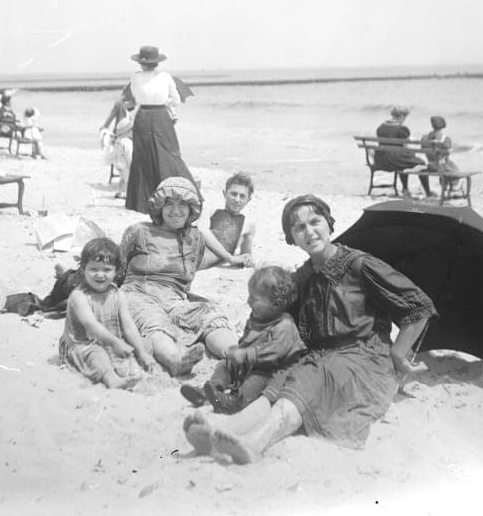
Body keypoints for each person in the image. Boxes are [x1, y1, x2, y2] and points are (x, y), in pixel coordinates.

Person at [183, 194, 436, 464]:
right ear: (291, 237)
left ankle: (255, 443)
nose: (310, 232)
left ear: (329, 223)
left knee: (311, 375)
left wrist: (398, 356)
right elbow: (277, 313)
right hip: (323, 358)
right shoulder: (304, 276)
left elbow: (418, 307)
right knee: (282, 373)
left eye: (315, 222)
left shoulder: (359, 265)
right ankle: (226, 430)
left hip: (366, 360)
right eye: (299, 228)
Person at [118, 177, 247, 377]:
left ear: (191, 210)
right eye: (169, 204)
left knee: (210, 316)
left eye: (183, 205)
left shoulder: (195, 238)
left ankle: (235, 354)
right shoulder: (139, 231)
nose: (175, 210)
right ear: (159, 206)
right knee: (153, 322)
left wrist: (233, 258)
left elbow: (196, 266)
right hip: (138, 294)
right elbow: (118, 266)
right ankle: (175, 361)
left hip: (175, 299)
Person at [180, 266, 306, 413]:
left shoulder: (285, 326)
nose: (248, 301)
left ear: (275, 304)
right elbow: (248, 340)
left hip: (272, 370)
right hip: (252, 362)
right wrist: (239, 351)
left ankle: (235, 402)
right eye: (249, 296)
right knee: (225, 365)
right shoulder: (257, 318)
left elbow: (274, 353)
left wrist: (245, 354)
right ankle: (212, 390)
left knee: (256, 380)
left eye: (254, 298)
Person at [59, 237, 155, 389]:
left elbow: (128, 325)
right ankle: (112, 379)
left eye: (107, 269)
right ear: (83, 270)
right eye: (93, 269)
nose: (100, 275)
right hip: (81, 343)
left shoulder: (118, 294)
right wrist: (116, 343)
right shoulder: (79, 296)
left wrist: (141, 352)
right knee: (98, 355)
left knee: (145, 344)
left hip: (111, 338)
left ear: (117, 271)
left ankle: (134, 367)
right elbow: (91, 325)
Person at [125, 45, 196, 214]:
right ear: (156, 62)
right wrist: (166, 104)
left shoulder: (135, 77)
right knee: (169, 155)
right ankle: (180, 192)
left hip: (143, 116)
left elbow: (135, 96)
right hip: (161, 117)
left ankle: (144, 200)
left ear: (141, 63)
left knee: (143, 157)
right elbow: (176, 100)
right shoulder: (166, 77)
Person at [199, 172, 256, 270]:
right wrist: (230, 258)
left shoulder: (248, 224)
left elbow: (245, 257)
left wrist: (246, 260)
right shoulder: (210, 212)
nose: (237, 199)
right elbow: (202, 232)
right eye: (233, 194)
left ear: (248, 199)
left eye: (242, 196)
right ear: (225, 194)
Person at [374, 106, 430, 197]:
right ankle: (427, 192)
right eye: (405, 117)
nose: (404, 120)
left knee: (404, 160)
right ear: (401, 116)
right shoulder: (402, 129)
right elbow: (405, 145)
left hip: (380, 160)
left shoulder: (380, 127)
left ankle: (405, 189)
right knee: (422, 164)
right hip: (395, 159)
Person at [100, 97, 133, 198]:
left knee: (123, 175)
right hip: (122, 138)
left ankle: (120, 191)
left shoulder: (140, 105)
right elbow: (110, 118)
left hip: (121, 143)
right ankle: (128, 194)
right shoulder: (120, 104)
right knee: (127, 174)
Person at [419, 115, 459, 194]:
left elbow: (422, 149)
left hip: (430, 166)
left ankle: (446, 188)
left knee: (445, 163)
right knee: (449, 165)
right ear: (443, 125)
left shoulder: (424, 137)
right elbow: (447, 153)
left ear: (432, 124)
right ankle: (451, 187)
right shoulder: (446, 139)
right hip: (441, 167)